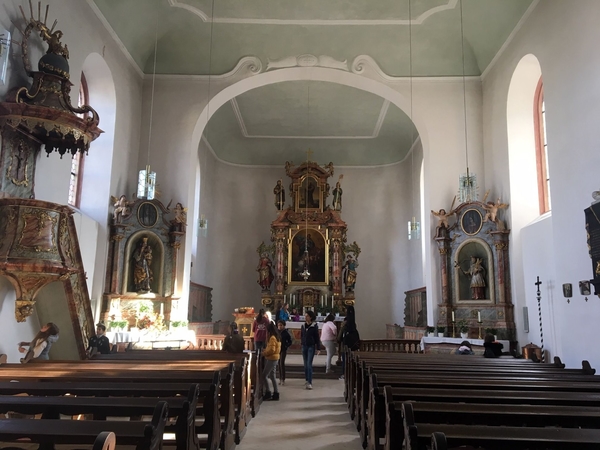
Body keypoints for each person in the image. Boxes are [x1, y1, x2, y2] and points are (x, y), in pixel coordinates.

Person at [301, 310, 321, 390]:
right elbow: (302, 335)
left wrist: (318, 348)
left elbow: (317, 337)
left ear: (311, 317)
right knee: (305, 365)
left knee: (309, 364)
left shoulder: (314, 326)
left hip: (311, 346)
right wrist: (302, 343)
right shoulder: (303, 325)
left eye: (307, 316)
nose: (305, 317)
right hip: (304, 346)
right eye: (305, 316)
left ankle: (310, 382)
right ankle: (306, 379)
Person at [261, 322, 281, 401]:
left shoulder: (272, 337)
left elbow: (272, 350)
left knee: (264, 375)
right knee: (272, 376)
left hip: (271, 358)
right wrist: (266, 350)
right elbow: (272, 348)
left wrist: (264, 353)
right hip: (275, 358)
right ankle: (276, 393)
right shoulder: (277, 336)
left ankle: (268, 392)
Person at [339, 305, 360, 380]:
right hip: (352, 346)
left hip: (345, 346)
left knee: (345, 361)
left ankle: (344, 374)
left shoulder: (345, 324)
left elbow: (340, 337)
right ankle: (352, 374)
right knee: (351, 360)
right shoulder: (353, 323)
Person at [277, 319, 293, 386]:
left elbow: (290, 341)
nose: (279, 327)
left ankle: (283, 379)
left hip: (283, 349)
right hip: (278, 350)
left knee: (281, 363)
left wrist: (286, 345)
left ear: (284, 326)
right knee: (278, 363)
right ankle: (280, 378)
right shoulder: (277, 332)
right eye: (278, 325)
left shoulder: (286, 333)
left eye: (281, 325)